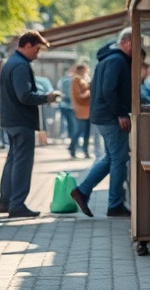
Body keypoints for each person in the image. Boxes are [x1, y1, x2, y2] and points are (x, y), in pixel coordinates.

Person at [70, 27, 133, 219]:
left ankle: (82, 191)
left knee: (111, 158)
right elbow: (109, 90)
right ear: (128, 43)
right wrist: (121, 113)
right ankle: (115, 204)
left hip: (103, 116)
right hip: (110, 118)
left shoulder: (109, 58)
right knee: (119, 159)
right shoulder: (117, 61)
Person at [0, 31, 60, 218]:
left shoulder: (12, 62)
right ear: (27, 46)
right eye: (37, 49)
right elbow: (24, 95)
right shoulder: (21, 65)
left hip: (12, 119)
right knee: (22, 163)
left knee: (13, 160)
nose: (37, 54)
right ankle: (17, 204)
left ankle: (6, 201)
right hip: (20, 120)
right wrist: (47, 98)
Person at [70, 61, 91, 158]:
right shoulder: (76, 80)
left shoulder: (85, 79)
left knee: (87, 132)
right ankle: (72, 148)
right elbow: (78, 95)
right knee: (79, 130)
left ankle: (85, 150)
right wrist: (88, 93)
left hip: (88, 108)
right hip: (81, 109)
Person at [57, 67, 75, 148]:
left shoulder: (62, 80)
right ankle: (72, 142)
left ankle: (68, 138)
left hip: (64, 105)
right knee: (73, 124)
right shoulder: (71, 80)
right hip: (71, 106)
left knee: (66, 122)